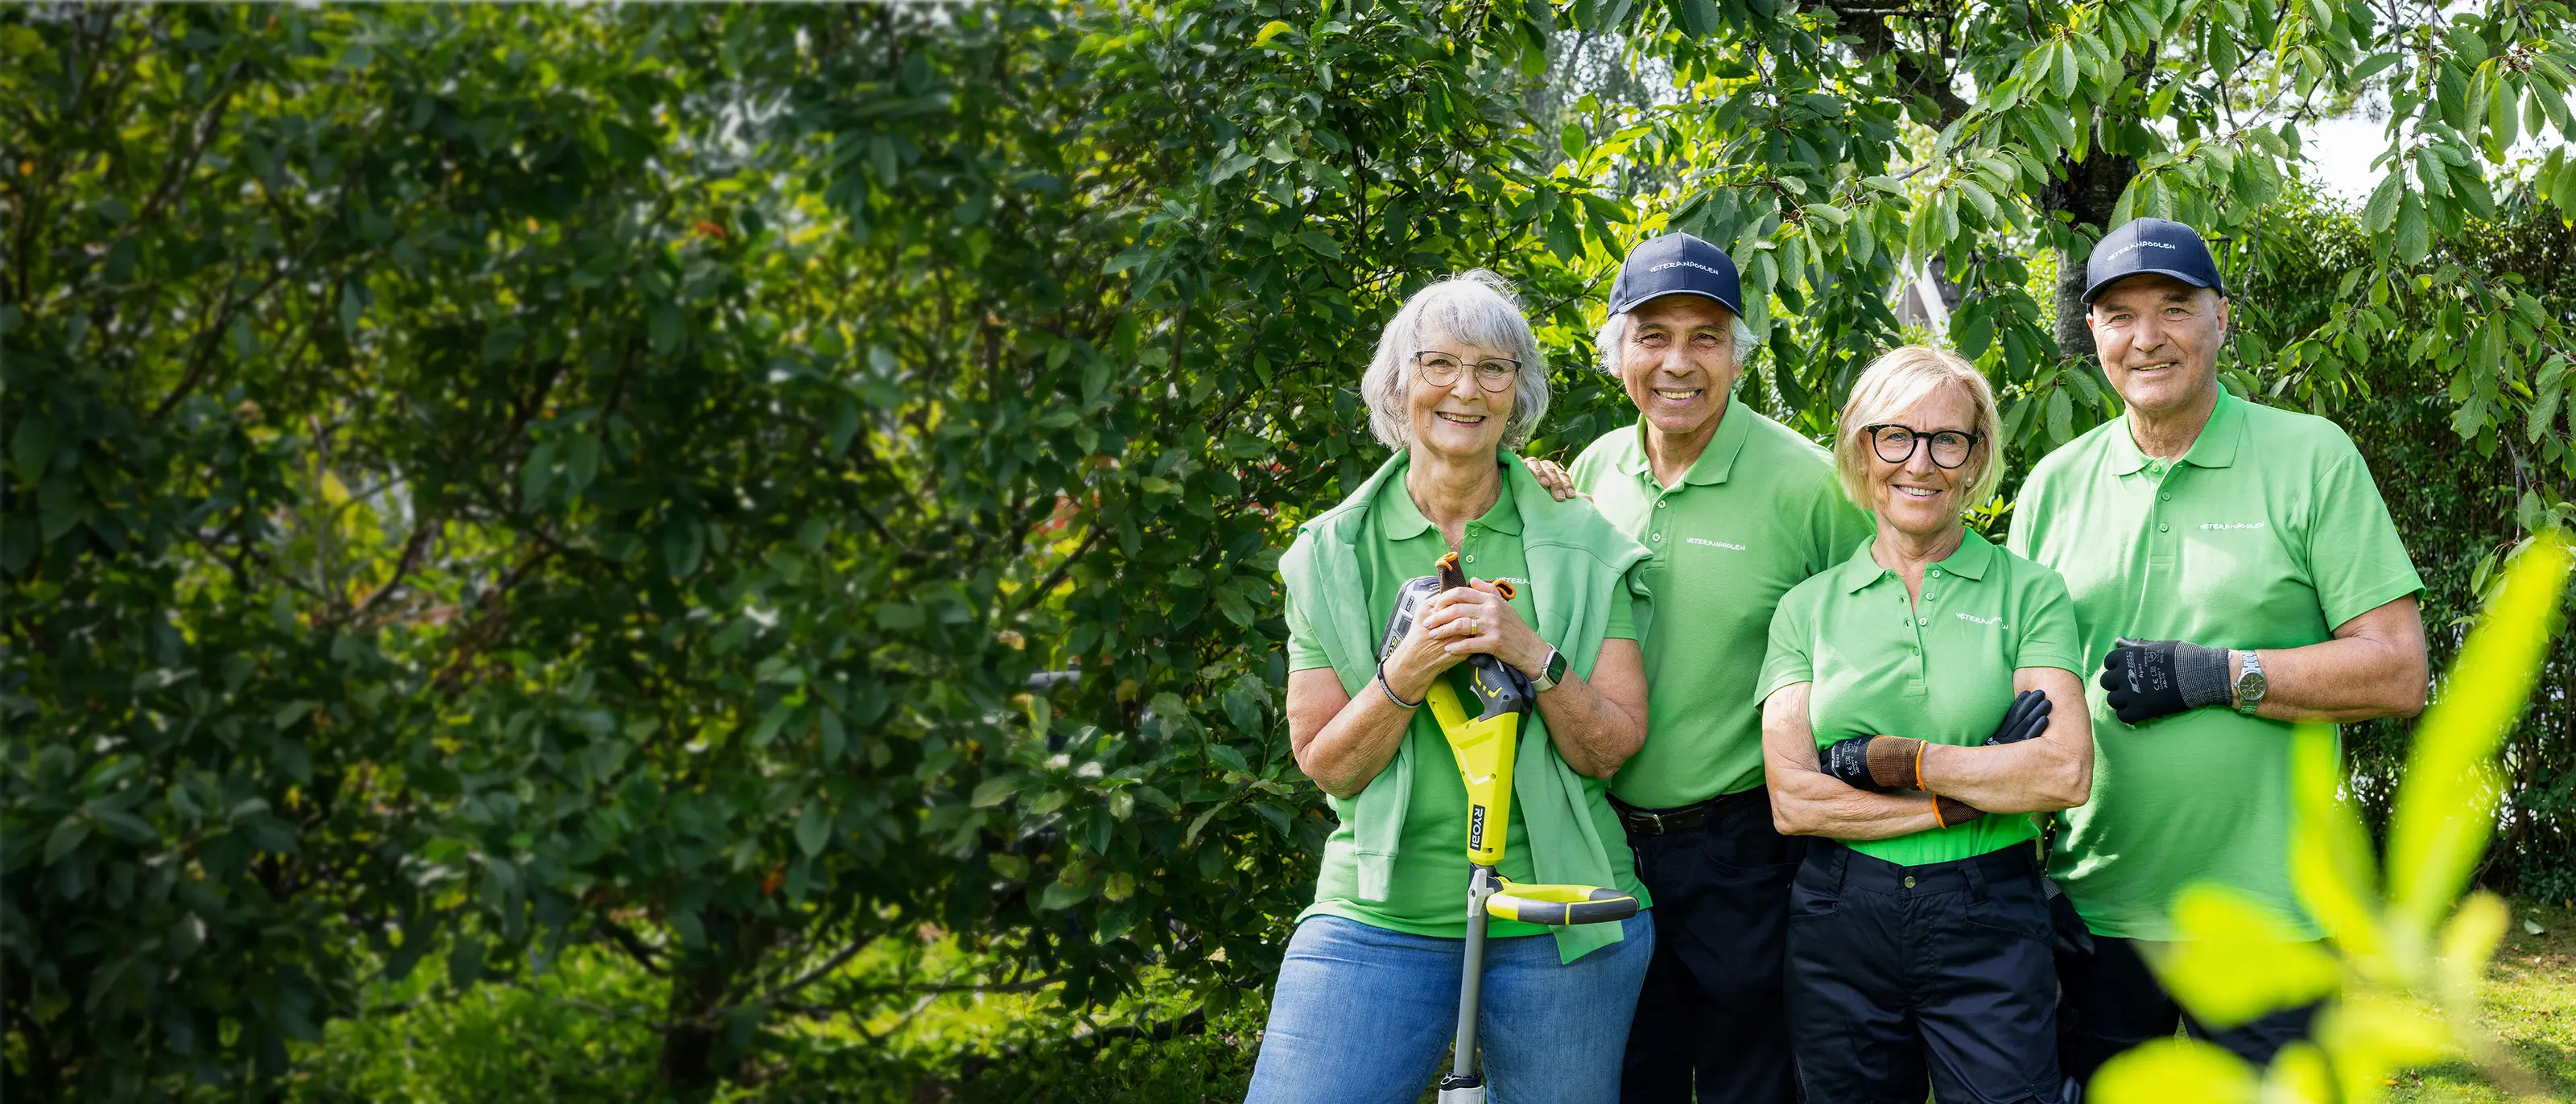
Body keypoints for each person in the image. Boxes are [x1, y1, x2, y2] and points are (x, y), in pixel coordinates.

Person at [2008, 217, 2429, 1083]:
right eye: (2120, 315)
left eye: (2174, 308)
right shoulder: (2054, 485)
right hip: (2093, 912)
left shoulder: (2310, 457)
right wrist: (2018, 869)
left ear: (2220, 318)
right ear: (2092, 331)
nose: (2147, 337)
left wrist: (2216, 675)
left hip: (2270, 920)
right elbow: (2021, 699)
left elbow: (2397, 669)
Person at [1248, 271, 1657, 1104]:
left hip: (1560, 912)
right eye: (1438, 363)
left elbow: (1609, 748)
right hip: (1380, 914)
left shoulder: (1581, 540)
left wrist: (1530, 652)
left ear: (1518, 392)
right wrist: (1405, 669)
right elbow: (1329, 765)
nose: (1465, 389)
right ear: (1397, 384)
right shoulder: (1330, 553)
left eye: (1493, 368)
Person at [1522, 232, 1875, 1104]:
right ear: (1617, 354)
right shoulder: (1593, 473)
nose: (1677, 363)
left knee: (1749, 1084)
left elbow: (1875, 644)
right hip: (1602, 840)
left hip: (1747, 851)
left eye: (1704, 337)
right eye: (1652, 337)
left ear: (1737, 355)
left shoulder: (1810, 486)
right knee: (1624, 1077)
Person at [1759, 345, 2095, 1104]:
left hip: (1989, 911)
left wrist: (1896, 759)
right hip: (1840, 915)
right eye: (1895, 437)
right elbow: (1795, 800)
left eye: (1948, 440)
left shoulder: (2030, 593)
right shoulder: (1806, 609)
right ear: (1862, 450)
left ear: (1975, 460)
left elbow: (2064, 772)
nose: (1920, 462)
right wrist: (1966, 794)